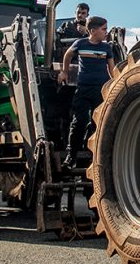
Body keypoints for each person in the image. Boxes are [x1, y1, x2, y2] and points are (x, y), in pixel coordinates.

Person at [58, 16, 116, 167]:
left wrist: (115, 83)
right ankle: (71, 156)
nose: (106, 32)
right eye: (103, 29)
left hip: (100, 91)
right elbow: (68, 55)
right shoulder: (80, 44)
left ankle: (94, 157)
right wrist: (64, 72)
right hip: (83, 89)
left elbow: (112, 69)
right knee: (79, 122)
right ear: (93, 31)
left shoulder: (106, 48)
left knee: (98, 124)